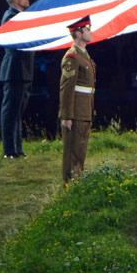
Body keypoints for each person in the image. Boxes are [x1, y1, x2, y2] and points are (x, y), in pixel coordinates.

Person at [0, 0, 34, 159]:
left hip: (23, 70)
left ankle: (17, 149)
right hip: (15, 70)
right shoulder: (10, 16)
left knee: (17, 112)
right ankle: (9, 150)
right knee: (10, 112)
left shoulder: (20, 16)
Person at [60, 15, 95, 182]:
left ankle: (77, 180)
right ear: (78, 33)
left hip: (84, 109)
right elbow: (67, 89)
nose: (90, 31)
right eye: (87, 29)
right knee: (73, 150)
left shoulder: (84, 55)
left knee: (81, 148)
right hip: (76, 111)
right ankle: (70, 184)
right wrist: (67, 115)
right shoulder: (72, 57)